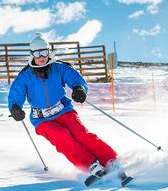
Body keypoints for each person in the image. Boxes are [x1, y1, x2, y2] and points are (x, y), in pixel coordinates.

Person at [8, 33, 119, 177]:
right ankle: (91, 164)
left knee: (81, 134)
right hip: (42, 119)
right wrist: (15, 107)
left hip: (63, 111)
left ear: (49, 52)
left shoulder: (59, 68)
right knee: (62, 137)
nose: (41, 56)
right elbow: (16, 94)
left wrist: (79, 89)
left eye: (44, 52)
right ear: (31, 54)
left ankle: (111, 160)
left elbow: (75, 79)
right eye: (37, 53)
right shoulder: (25, 75)